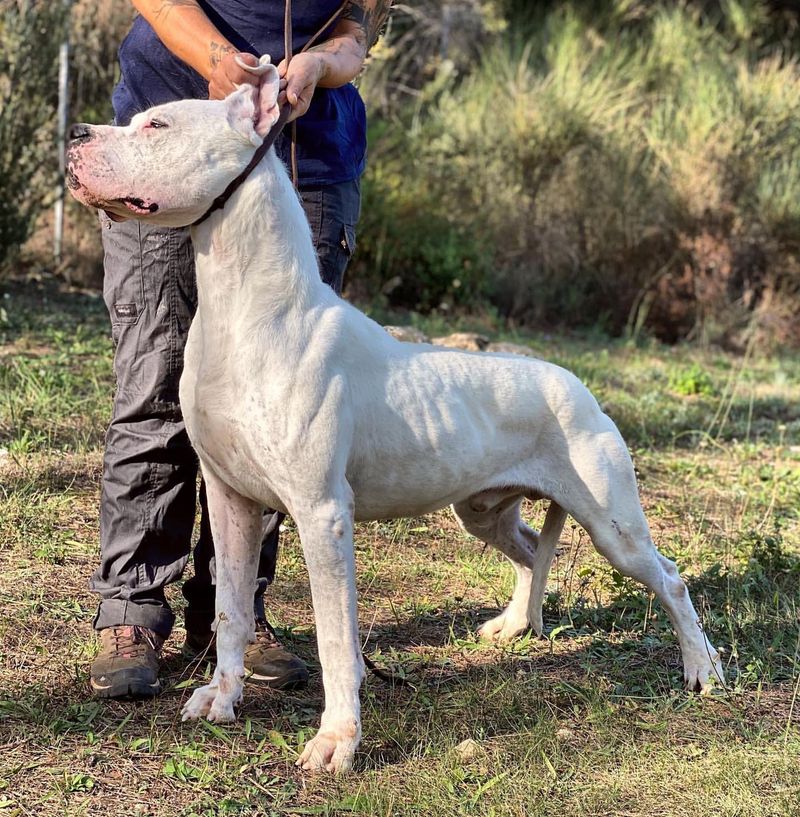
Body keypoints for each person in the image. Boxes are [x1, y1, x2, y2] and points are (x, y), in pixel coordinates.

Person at [89, 0, 392, 699]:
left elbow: (357, 31)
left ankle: (238, 616)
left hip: (303, 171)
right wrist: (217, 64)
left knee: (290, 416)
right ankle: (131, 612)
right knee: (156, 390)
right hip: (172, 150)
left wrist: (319, 64)